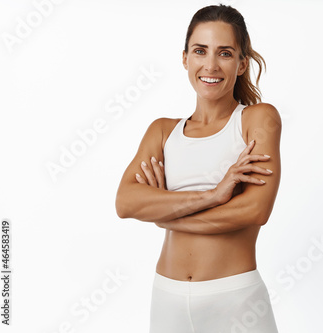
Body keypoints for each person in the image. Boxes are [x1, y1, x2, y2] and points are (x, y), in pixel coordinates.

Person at [115, 4, 281, 332]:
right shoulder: (162, 131)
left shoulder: (256, 120)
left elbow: (255, 210)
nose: (210, 65)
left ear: (241, 63)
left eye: (225, 53)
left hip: (234, 300)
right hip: (167, 299)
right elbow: (126, 203)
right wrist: (215, 195)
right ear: (185, 58)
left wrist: (164, 215)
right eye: (200, 51)